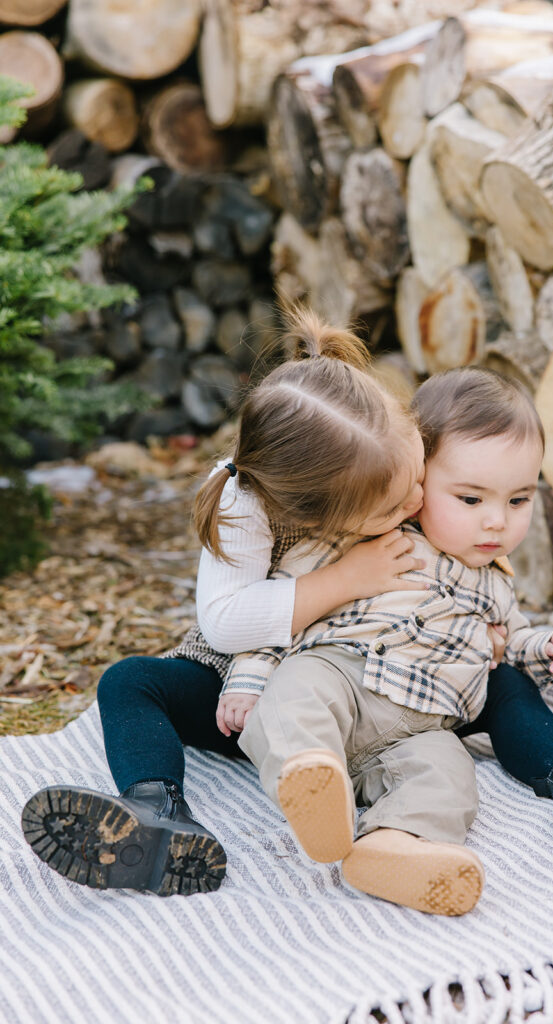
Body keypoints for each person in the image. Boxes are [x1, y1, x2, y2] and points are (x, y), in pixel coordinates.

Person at [225, 367, 553, 917]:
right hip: (342, 675)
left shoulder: (495, 584)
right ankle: (311, 780)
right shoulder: (369, 536)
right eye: (470, 499)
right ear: (416, 481)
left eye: (519, 500)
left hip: (423, 726)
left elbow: (516, 645)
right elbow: (281, 609)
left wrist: (551, 648)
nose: (497, 522)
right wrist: (248, 681)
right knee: (296, 695)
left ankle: (392, 846)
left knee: (449, 777)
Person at [20, 305, 430, 896]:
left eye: (420, 472)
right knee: (130, 682)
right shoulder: (247, 500)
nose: (418, 500)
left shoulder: (390, 454)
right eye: (394, 507)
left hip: (347, 692)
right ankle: (156, 814)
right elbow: (224, 623)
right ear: (311, 513)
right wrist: (346, 578)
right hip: (242, 695)